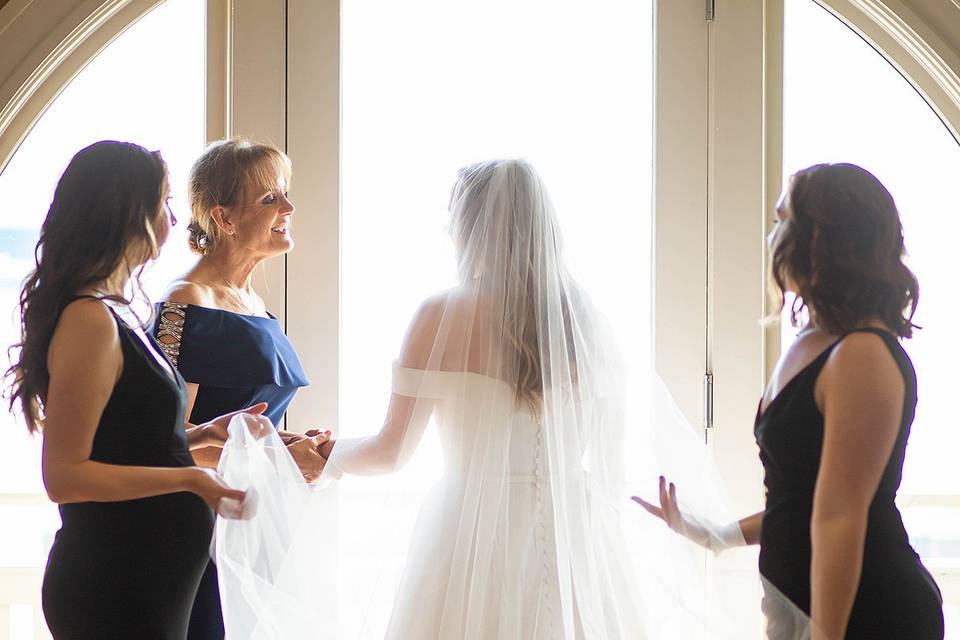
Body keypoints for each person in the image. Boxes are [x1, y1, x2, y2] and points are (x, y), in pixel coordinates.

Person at [635, 163, 944, 639]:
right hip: (803, 606)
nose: (771, 236)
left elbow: (841, 515)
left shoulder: (862, 354)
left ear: (823, 239)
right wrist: (712, 533)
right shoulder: (814, 341)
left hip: (868, 612)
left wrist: (826, 633)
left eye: (782, 220)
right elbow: (800, 501)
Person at [2, 140, 259, 639]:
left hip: (147, 578)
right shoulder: (88, 319)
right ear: (128, 212)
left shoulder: (115, 310)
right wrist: (191, 481)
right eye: (164, 201)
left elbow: (122, 441)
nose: (172, 218)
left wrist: (201, 436)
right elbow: (66, 475)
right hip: (116, 582)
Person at [153, 138, 329, 639]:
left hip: (258, 517)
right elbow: (167, 439)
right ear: (224, 219)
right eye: (271, 198)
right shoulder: (188, 302)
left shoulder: (250, 302)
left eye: (286, 194)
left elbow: (248, 419)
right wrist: (278, 457)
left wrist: (293, 445)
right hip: (203, 524)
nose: (289, 208)